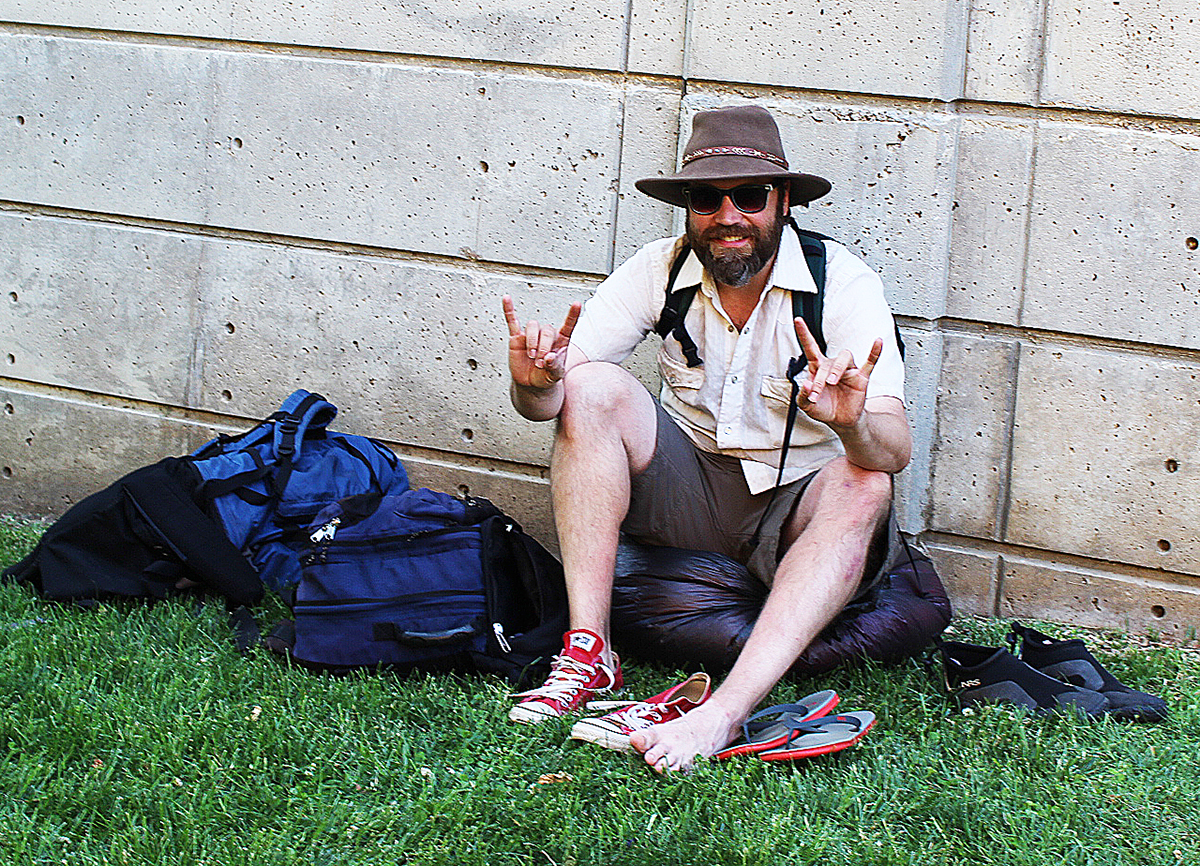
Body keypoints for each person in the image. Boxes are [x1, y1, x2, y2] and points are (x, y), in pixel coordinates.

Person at [501, 105, 911, 773]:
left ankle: (721, 713)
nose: (728, 216)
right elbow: (553, 401)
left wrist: (852, 423)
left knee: (866, 481)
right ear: (688, 208)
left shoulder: (842, 283)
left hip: (792, 508)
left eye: (749, 196)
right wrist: (536, 384)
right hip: (689, 496)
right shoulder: (658, 270)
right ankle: (589, 654)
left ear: (781, 202)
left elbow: (894, 450)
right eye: (705, 198)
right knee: (594, 386)